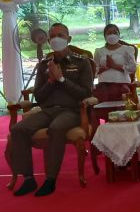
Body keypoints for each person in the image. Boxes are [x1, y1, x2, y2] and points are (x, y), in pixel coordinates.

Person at [9, 23, 93, 197]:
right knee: (18, 129)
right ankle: (28, 179)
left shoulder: (82, 62)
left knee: (56, 128)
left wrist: (62, 79)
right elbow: (38, 97)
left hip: (71, 111)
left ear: (68, 39)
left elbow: (85, 93)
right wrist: (50, 82)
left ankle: (50, 180)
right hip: (48, 110)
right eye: (52, 36)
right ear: (48, 40)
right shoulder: (44, 65)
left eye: (60, 35)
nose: (56, 39)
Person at [93, 24, 137, 102]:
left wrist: (114, 66)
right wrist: (104, 68)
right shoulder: (99, 51)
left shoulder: (127, 49)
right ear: (105, 36)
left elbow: (132, 68)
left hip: (122, 85)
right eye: (109, 33)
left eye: (115, 32)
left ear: (119, 35)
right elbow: (93, 70)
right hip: (103, 85)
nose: (112, 35)